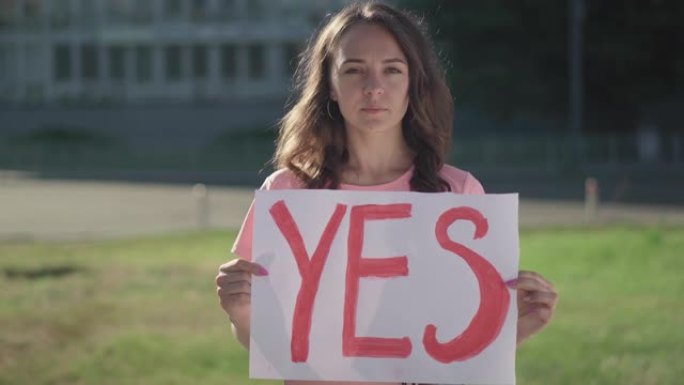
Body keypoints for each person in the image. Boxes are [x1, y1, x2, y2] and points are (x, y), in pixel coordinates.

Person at [215, 2, 558, 384]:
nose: (373, 87)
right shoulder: (287, 193)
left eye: (392, 70)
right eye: (354, 69)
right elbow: (269, 342)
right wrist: (241, 313)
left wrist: (511, 331)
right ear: (330, 84)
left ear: (414, 83)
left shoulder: (457, 195)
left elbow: (456, 350)